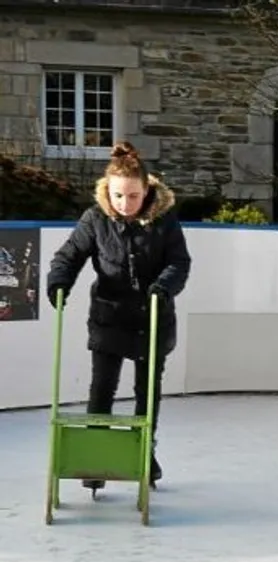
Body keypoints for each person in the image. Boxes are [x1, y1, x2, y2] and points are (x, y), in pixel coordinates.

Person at [46, 141, 191, 490]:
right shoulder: (95, 218)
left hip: (152, 317)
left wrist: (163, 287)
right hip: (109, 316)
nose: (125, 203)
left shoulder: (164, 219)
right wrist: (59, 281)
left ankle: (144, 452)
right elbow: (69, 255)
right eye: (118, 196)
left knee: (147, 392)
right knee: (102, 388)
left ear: (147, 191)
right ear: (107, 191)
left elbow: (179, 262)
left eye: (133, 196)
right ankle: (95, 458)